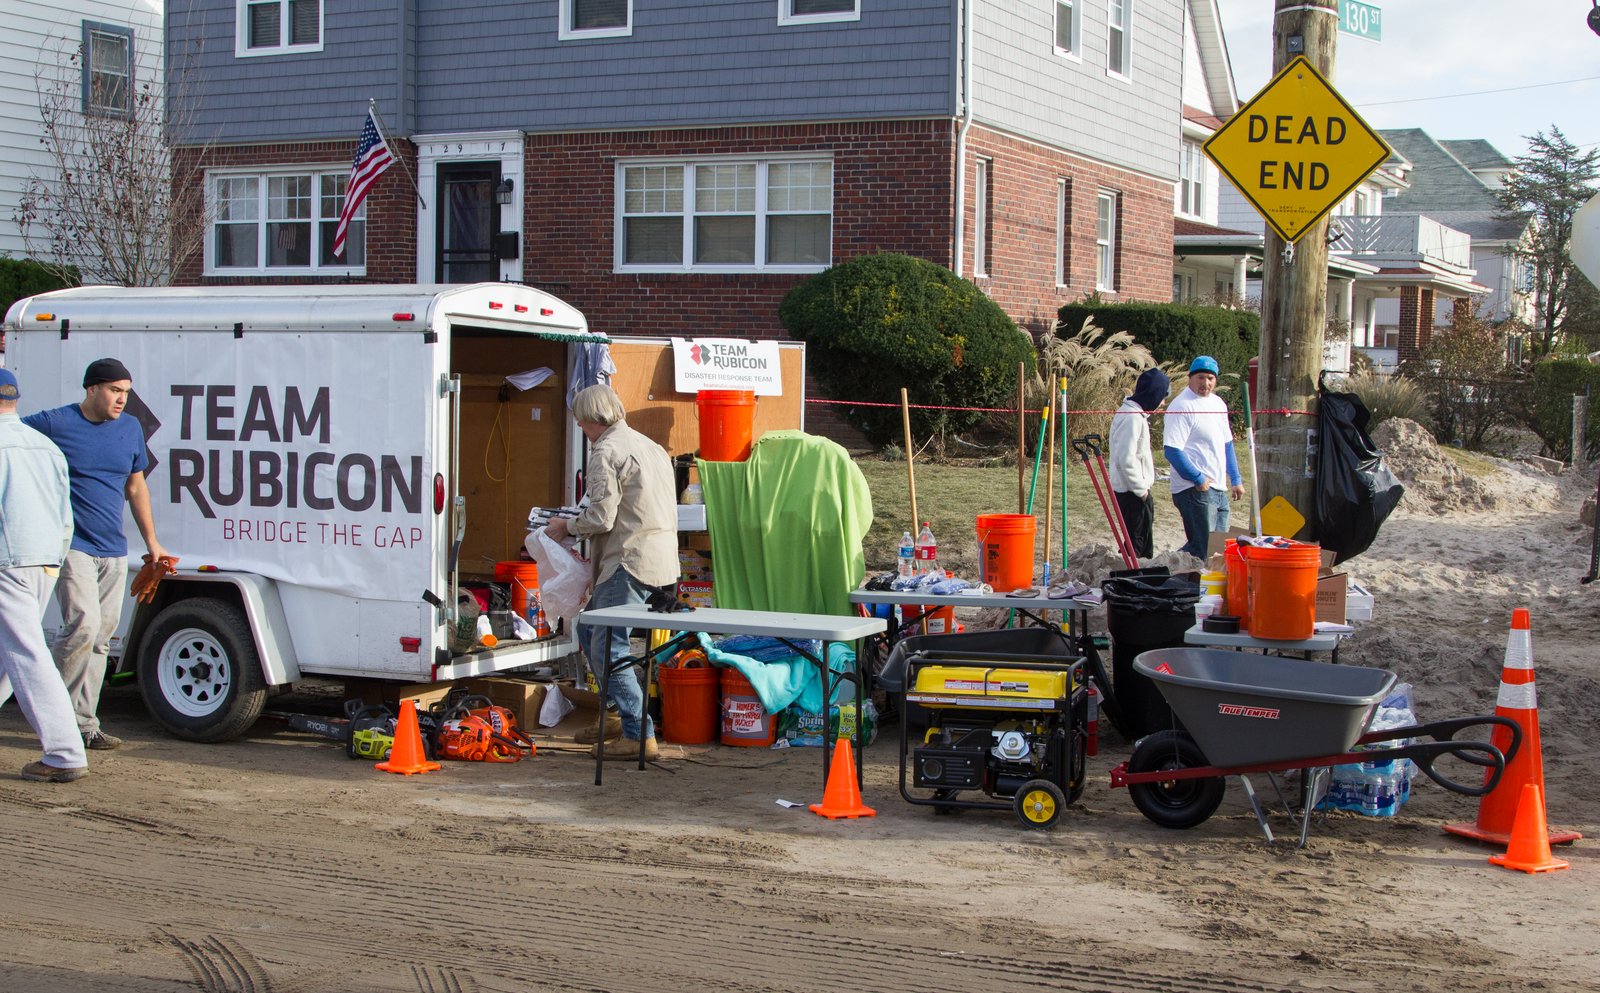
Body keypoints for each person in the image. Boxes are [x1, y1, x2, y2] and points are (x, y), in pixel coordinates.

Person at [23, 358, 169, 751]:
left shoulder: (130, 429)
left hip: (114, 549)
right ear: (91, 389)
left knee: (103, 638)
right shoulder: (55, 423)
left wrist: (152, 543)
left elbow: (136, 488)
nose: (122, 399)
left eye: (126, 392)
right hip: (72, 545)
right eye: (115, 391)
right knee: (82, 627)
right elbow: (11, 440)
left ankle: (85, 724)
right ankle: (56, 719)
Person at [544, 384, 678, 761]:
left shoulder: (606, 450)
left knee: (604, 644)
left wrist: (565, 527)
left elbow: (601, 517)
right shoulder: (650, 446)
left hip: (629, 557)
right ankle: (618, 717)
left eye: (580, 422)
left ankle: (638, 733)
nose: (582, 428)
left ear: (587, 419)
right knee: (592, 631)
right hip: (660, 558)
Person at [0, 368, 90, 782]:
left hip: (8, 561)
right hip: (44, 560)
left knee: (26, 655)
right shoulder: (45, 446)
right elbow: (64, 513)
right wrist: (54, 557)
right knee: (14, 652)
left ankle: (64, 752)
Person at [1163, 355, 1245, 560]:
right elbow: (1172, 450)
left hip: (1218, 488)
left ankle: (1178, 571)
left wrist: (1235, 479)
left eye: (1210, 378)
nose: (1205, 383)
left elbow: (1227, 444)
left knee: (1218, 550)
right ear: (1190, 378)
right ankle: (1176, 576)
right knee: (1203, 549)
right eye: (1200, 377)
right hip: (1193, 488)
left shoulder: (1218, 404)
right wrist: (1198, 478)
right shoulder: (1182, 406)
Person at [1108, 367, 1170, 560]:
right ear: (1153, 394)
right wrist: (1140, 490)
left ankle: (1134, 570)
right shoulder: (1132, 418)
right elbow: (1126, 459)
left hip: (1134, 489)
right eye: (1162, 397)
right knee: (1137, 542)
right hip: (1131, 491)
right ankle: (1132, 577)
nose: (1163, 403)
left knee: (1141, 538)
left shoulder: (1136, 415)